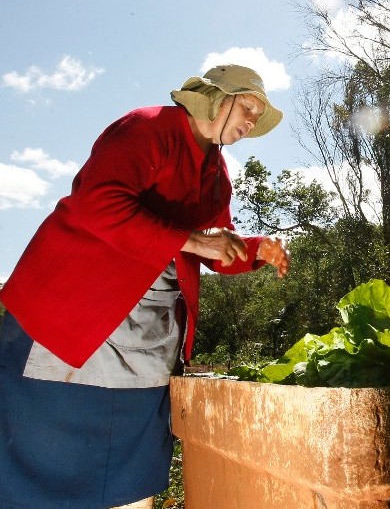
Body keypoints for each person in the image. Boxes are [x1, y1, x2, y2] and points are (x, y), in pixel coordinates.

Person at [0, 64, 291, 509]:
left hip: (148, 340)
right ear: (218, 97)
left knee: (131, 477)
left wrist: (254, 250)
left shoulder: (217, 173)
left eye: (257, 117)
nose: (252, 122)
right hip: (73, 319)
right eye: (248, 107)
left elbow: (213, 248)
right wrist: (194, 239)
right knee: (37, 464)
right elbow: (97, 202)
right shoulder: (149, 127)